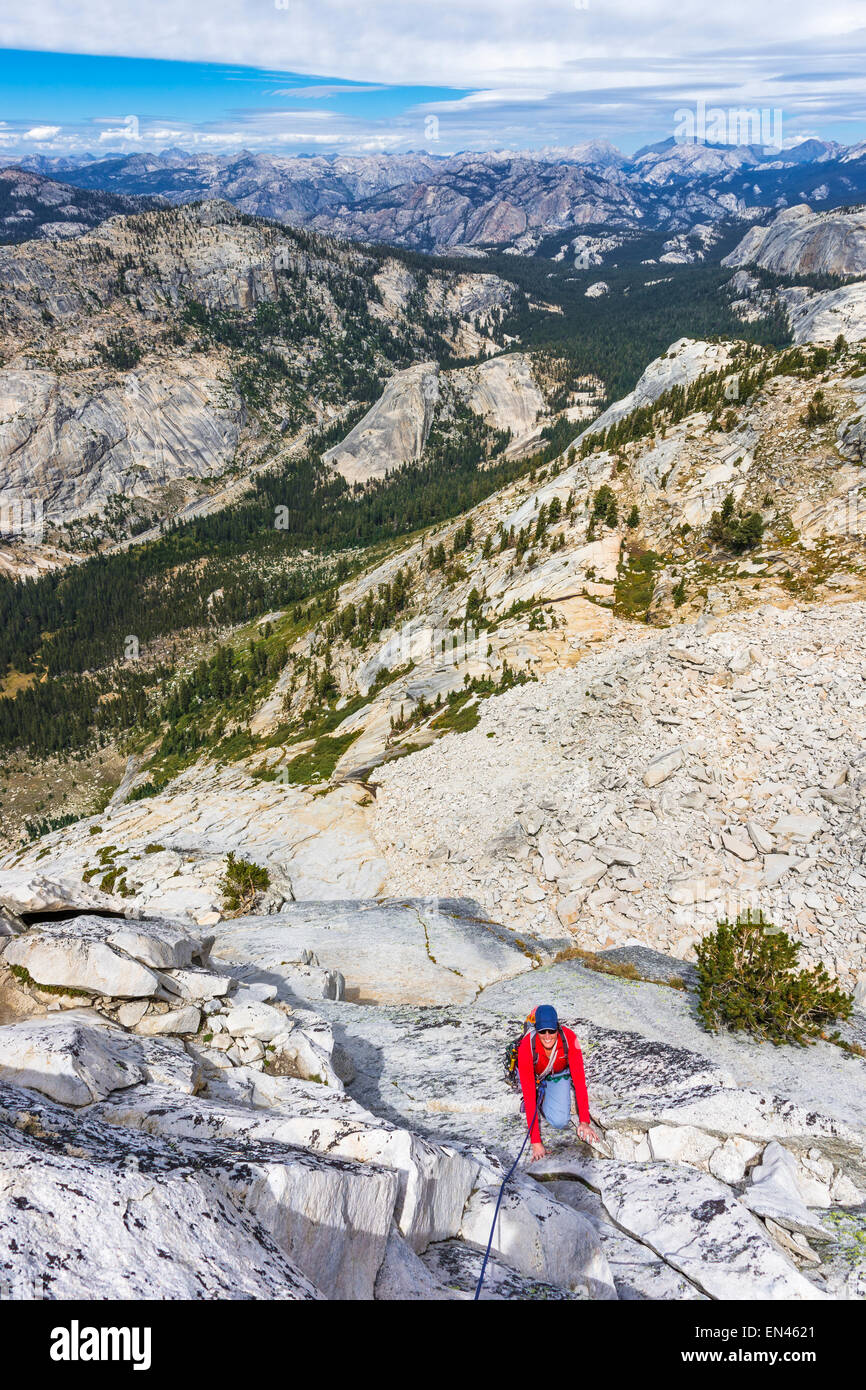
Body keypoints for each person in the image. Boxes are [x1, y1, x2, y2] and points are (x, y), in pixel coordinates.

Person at [516, 1004, 598, 1161]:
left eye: (551, 1031)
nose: (547, 1036)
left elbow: (579, 1081)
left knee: (560, 1121)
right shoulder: (526, 1047)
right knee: (531, 1095)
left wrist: (584, 1122)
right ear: (536, 1030)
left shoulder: (569, 1038)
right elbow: (528, 1095)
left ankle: (545, 1098)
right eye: (542, 1031)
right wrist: (536, 1142)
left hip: (557, 1074)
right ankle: (542, 1095)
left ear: (557, 1028)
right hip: (534, 1074)